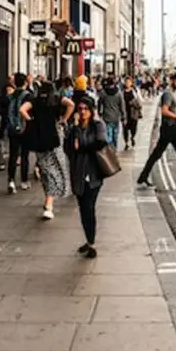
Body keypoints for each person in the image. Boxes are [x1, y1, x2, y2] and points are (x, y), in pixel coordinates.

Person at [21, 80, 74, 220]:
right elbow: (71, 104)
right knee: (55, 169)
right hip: (55, 136)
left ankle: (48, 199)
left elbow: (22, 109)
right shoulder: (57, 99)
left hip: (39, 138)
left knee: (46, 169)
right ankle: (49, 203)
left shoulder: (35, 100)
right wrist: (63, 119)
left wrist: (31, 121)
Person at [65, 94, 108, 257]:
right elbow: (68, 148)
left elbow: (101, 142)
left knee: (89, 208)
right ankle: (89, 239)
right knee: (83, 209)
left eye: (85, 109)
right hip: (77, 173)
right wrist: (75, 128)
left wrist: (81, 147)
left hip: (93, 174)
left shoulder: (98, 125)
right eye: (80, 109)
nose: (82, 112)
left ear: (91, 110)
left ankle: (92, 243)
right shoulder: (74, 127)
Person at [2, 72, 33, 193]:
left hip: (11, 129)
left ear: (14, 83)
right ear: (25, 82)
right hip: (25, 129)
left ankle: (11, 180)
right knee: (24, 156)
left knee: (13, 156)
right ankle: (24, 181)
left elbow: (3, 111)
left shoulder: (10, 96)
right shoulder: (29, 96)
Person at [98, 75, 126, 148]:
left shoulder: (103, 93)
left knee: (108, 136)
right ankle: (114, 149)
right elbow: (122, 106)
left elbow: (99, 104)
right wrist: (124, 117)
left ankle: (111, 150)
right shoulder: (119, 93)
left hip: (106, 117)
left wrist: (99, 114)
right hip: (116, 118)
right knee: (115, 136)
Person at [122, 76, 142, 149]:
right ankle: (126, 142)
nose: (127, 83)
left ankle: (133, 137)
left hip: (133, 113)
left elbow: (140, 102)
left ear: (131, 83)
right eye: (126, 82)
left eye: (129, 82)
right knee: (125, 129)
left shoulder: (135, 91)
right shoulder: (122, 91)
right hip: (125, 113)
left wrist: (133, 103)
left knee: (133, 128)